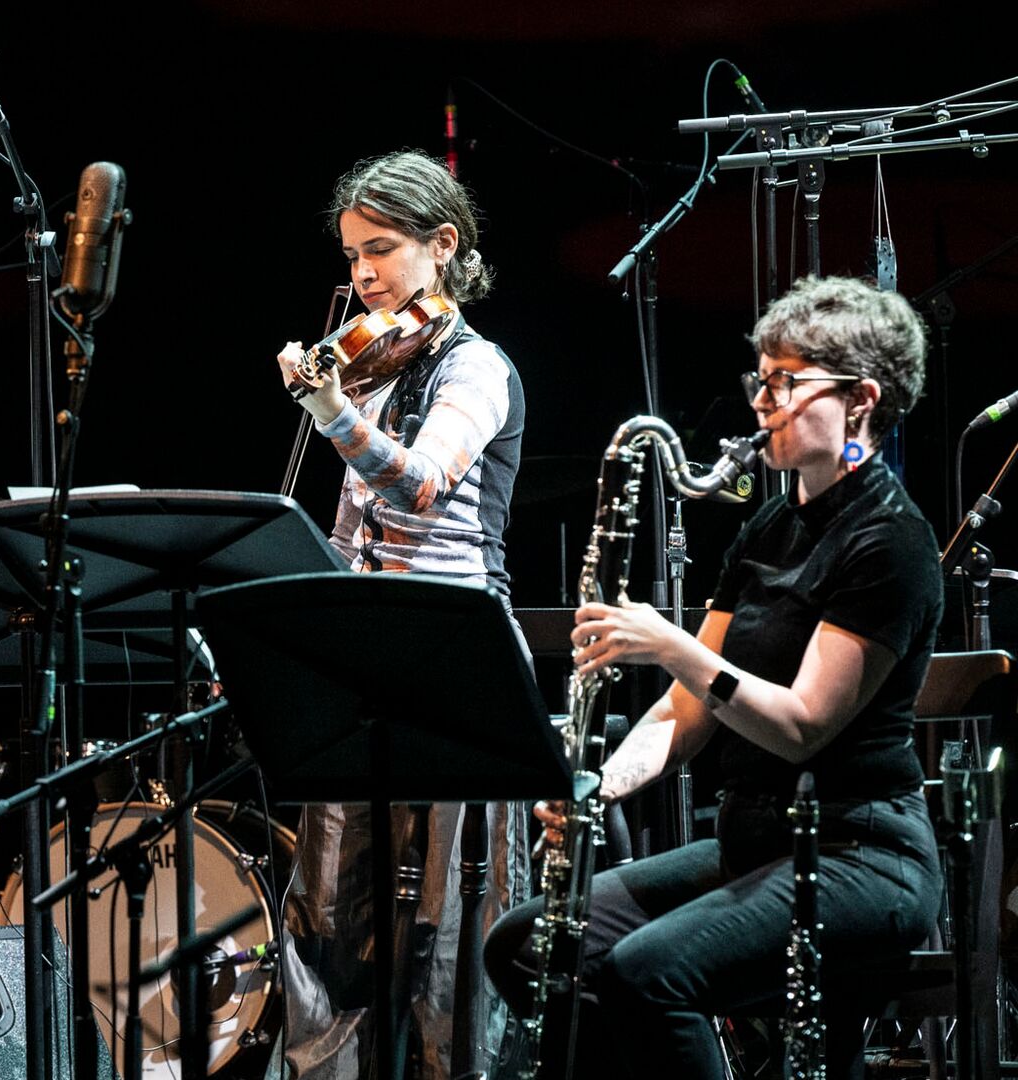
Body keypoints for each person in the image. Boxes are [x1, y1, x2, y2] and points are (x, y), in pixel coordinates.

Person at [482, 275, 944, 1078]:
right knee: (525, 945)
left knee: (649, 972)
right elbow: (685, 715)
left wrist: (673, 645)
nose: (762, 402)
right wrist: (600, 787)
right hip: (753, 842)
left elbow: (803, 725)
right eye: (759, 379)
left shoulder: (891, 542)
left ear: (862, 399)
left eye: (786, 383)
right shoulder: (769, 525)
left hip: (860, 854)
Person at [273, 149, 528, 1079]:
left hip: (462, 662)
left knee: (452, 925)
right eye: (351, 255)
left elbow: (422, 486)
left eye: (381, 250)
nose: (363, 275)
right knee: (333, 907)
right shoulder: (376, 369)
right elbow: (353, 535)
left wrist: (336, 414)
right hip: (367, 663)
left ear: (443, 246)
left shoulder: (477, 369)